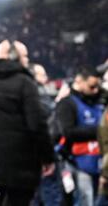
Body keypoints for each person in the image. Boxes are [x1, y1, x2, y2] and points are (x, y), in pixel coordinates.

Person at [0, 40, 54, 206]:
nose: (27, 60)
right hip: (22, 166)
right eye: (25, 55)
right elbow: (37, 124)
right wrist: (47, 157)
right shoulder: (25, 83)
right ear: (12, 56)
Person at [55, 67, 104, 206]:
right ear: (79, 82)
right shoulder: (67, 103)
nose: (95, 90)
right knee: (84, 200)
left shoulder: (97, 103)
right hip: (76, 163)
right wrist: (100, 131)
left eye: (97, 86)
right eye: (92, 86)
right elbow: (68, 132)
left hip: (98, 163)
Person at [31, 63, 64, 206]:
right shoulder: (35, 94)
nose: (46, 77)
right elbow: (48, 118)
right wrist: (59, 101)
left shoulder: (36, 93)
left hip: (33, 155)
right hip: (43, 154)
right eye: (42, 74)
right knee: (50, 194)